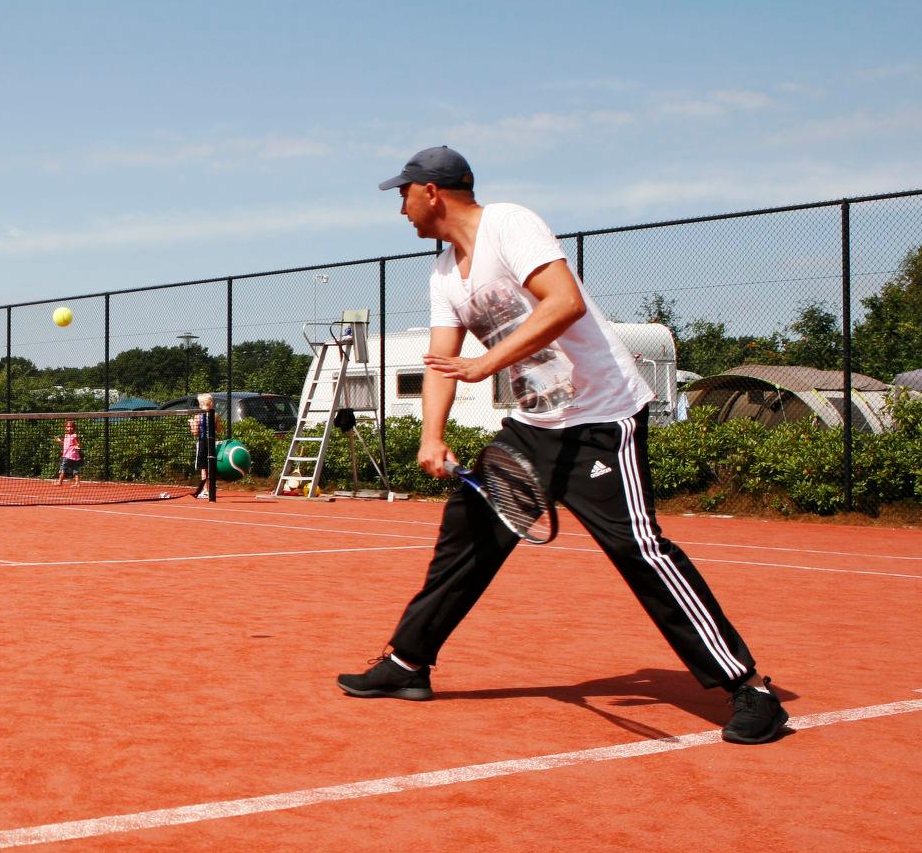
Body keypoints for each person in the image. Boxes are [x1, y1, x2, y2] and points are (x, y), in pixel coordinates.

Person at [337, 146, 788, 746]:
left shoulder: (509, 224)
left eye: (404, 194)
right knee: (467, 532)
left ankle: (750, 689)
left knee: (639, 550)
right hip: (535, 424)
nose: (401, 207)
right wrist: (431, 435)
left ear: (433, 192)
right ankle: (408, 663)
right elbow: (442, 363)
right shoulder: (445, 272)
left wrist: (488, 361)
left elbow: (565, 301)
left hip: (602, 417)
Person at [191, 392, 216, 499]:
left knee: (203, 468)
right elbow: (219, 429)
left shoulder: (197, 417)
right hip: (211, 443)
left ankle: (206, 490)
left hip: (202, 443)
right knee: (211, 467)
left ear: (201, 405)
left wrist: (192, 423)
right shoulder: (215, 415)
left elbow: (195, 432)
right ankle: (210, 489)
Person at [56, 420, 82, 485]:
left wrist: (77, 446)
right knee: (74, 468)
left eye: (71, 427)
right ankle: (77, 482)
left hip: (71, 455)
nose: (69, 428)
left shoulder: (74, 435)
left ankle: (60, 481)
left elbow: (77, 444)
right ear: (65, 428)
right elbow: (65, 444)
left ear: (74, 428)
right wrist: (60, 441)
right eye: (68, 427)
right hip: (69, 455)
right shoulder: (66, 435)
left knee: (63, 467)